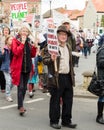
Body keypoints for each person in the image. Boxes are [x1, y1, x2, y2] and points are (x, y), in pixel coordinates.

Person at [43, 25, 77, 129]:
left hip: (67, 77)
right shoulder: (51, 46)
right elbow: (44, 60)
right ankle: (54, 121)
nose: (63, 36)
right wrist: (51, 59)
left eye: (65, 34)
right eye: (61, 34)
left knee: (68, 100)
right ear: (57, 35)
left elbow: (70, 63)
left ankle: (66, 121)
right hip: (56, 77)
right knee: (55, 100)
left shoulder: (68, 46)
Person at [10, 23, 37, 116]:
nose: (24, 33)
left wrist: (35, 47)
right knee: (20, 87)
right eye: (23, 31)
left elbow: (32, 55)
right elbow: (16, 52)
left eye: (26, 31)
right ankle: (21, 106)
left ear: (28, 32)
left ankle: (19, 104)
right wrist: (22, 43)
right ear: (20, 31)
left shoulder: (29, 41)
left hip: (27, 67)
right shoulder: (15, 40)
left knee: (24, 88)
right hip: (18, 68)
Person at [0, 35, 13, 102]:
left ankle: (8, 92)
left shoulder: (14, 48)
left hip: (13, 67)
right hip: (6, 67)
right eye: (10, 39)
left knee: (12, 82)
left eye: (12, 39)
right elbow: (1, 59)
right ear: (7, 41)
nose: (12, 41)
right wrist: (2, 54)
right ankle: (8, 95)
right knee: (8, 81)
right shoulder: (4, 48)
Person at [96, 34, 104, 124]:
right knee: (102, 98)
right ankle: (99, 116)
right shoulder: (102, 49)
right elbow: (100, 63)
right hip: (102, 78)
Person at [0, 26, 11, 93]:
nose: (6, 31)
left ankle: (7, 86)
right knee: (1, 72)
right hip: (1, 55)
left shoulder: (11, 38)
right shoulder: (1, 38)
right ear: (3, 31)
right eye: (5, 30)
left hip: (8, 56)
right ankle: (3, 87)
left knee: (7, 72)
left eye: (7, 30)